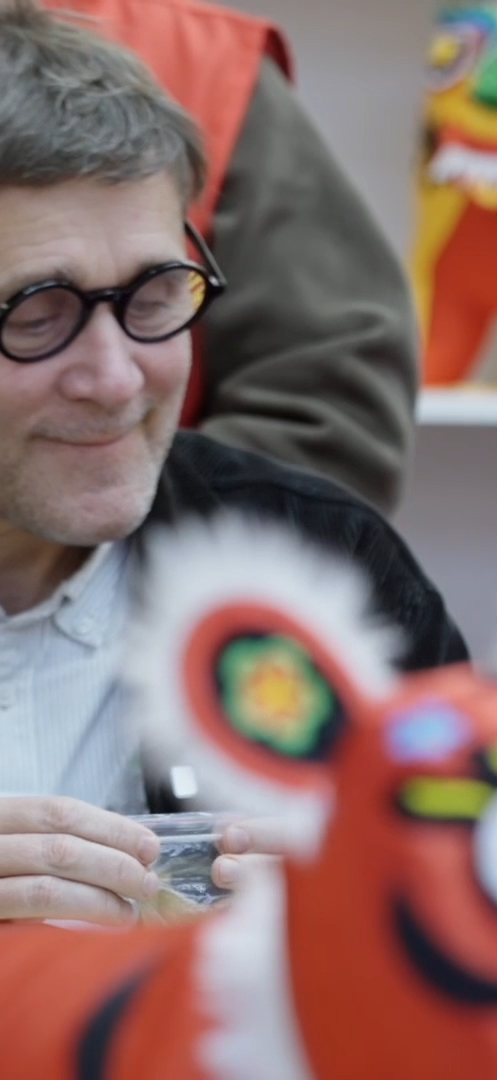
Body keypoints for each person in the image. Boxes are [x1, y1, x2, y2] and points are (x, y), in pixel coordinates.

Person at [0, 0, 465, 927]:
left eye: (154, 295)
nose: (117, 378)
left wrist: (383, 926)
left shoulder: (328, 570)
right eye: (37, 315)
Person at [42, 0, 419, 513]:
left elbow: (328, 408)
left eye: (153, 299)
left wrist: (100, 541)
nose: (112, 380)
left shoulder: (201, 62)